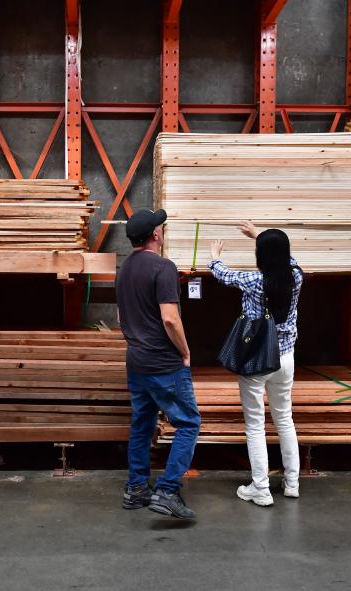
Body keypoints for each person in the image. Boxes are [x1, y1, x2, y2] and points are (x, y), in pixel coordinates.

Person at [209, 221, 303, 507]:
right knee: (284, 419)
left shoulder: (255, 282)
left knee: (255, 425)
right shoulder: (297, 277)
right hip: (285, 357)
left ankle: (260, 489)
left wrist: (214, 258)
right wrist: (260, 236)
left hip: (257, 360)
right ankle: (292, 483)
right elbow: (287, 259)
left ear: (262, 256)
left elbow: (224, 275)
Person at [115, 208, 200, 520]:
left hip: (136, 361)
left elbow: (122, 317)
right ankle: (167, 491)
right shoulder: (163, 267)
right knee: (189, 424)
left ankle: (136, 489)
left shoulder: (123, 269)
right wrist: (186, 352)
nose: (162, 231)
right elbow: (170, 318)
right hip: (164, 363)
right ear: (155, 235)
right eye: (161, 228)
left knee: (142, 424)